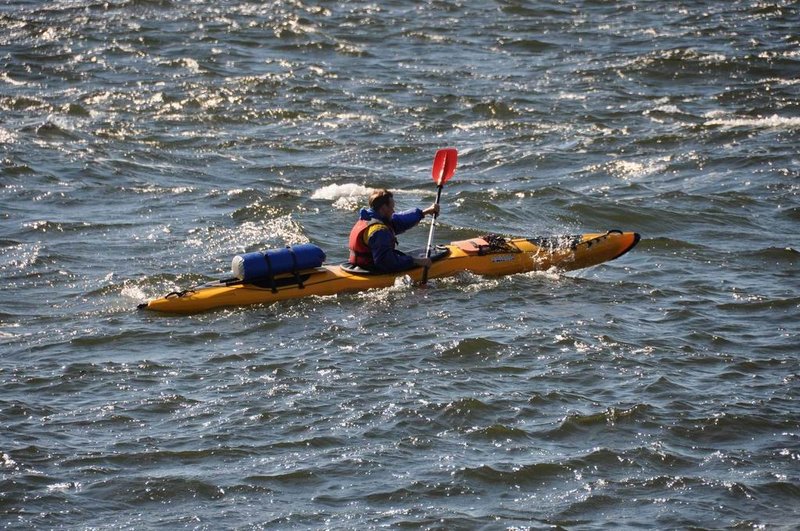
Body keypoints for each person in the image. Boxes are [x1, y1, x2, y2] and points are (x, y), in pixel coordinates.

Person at [348, 189, 439, 272]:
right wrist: (416, 261)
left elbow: (400, 220)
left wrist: (425, 212)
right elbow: (386, 263)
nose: (393, 211)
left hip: (360, 265)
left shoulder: (368, 218)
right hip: (372, 269)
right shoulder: (378, 231)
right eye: (391, 208)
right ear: (383, 208)